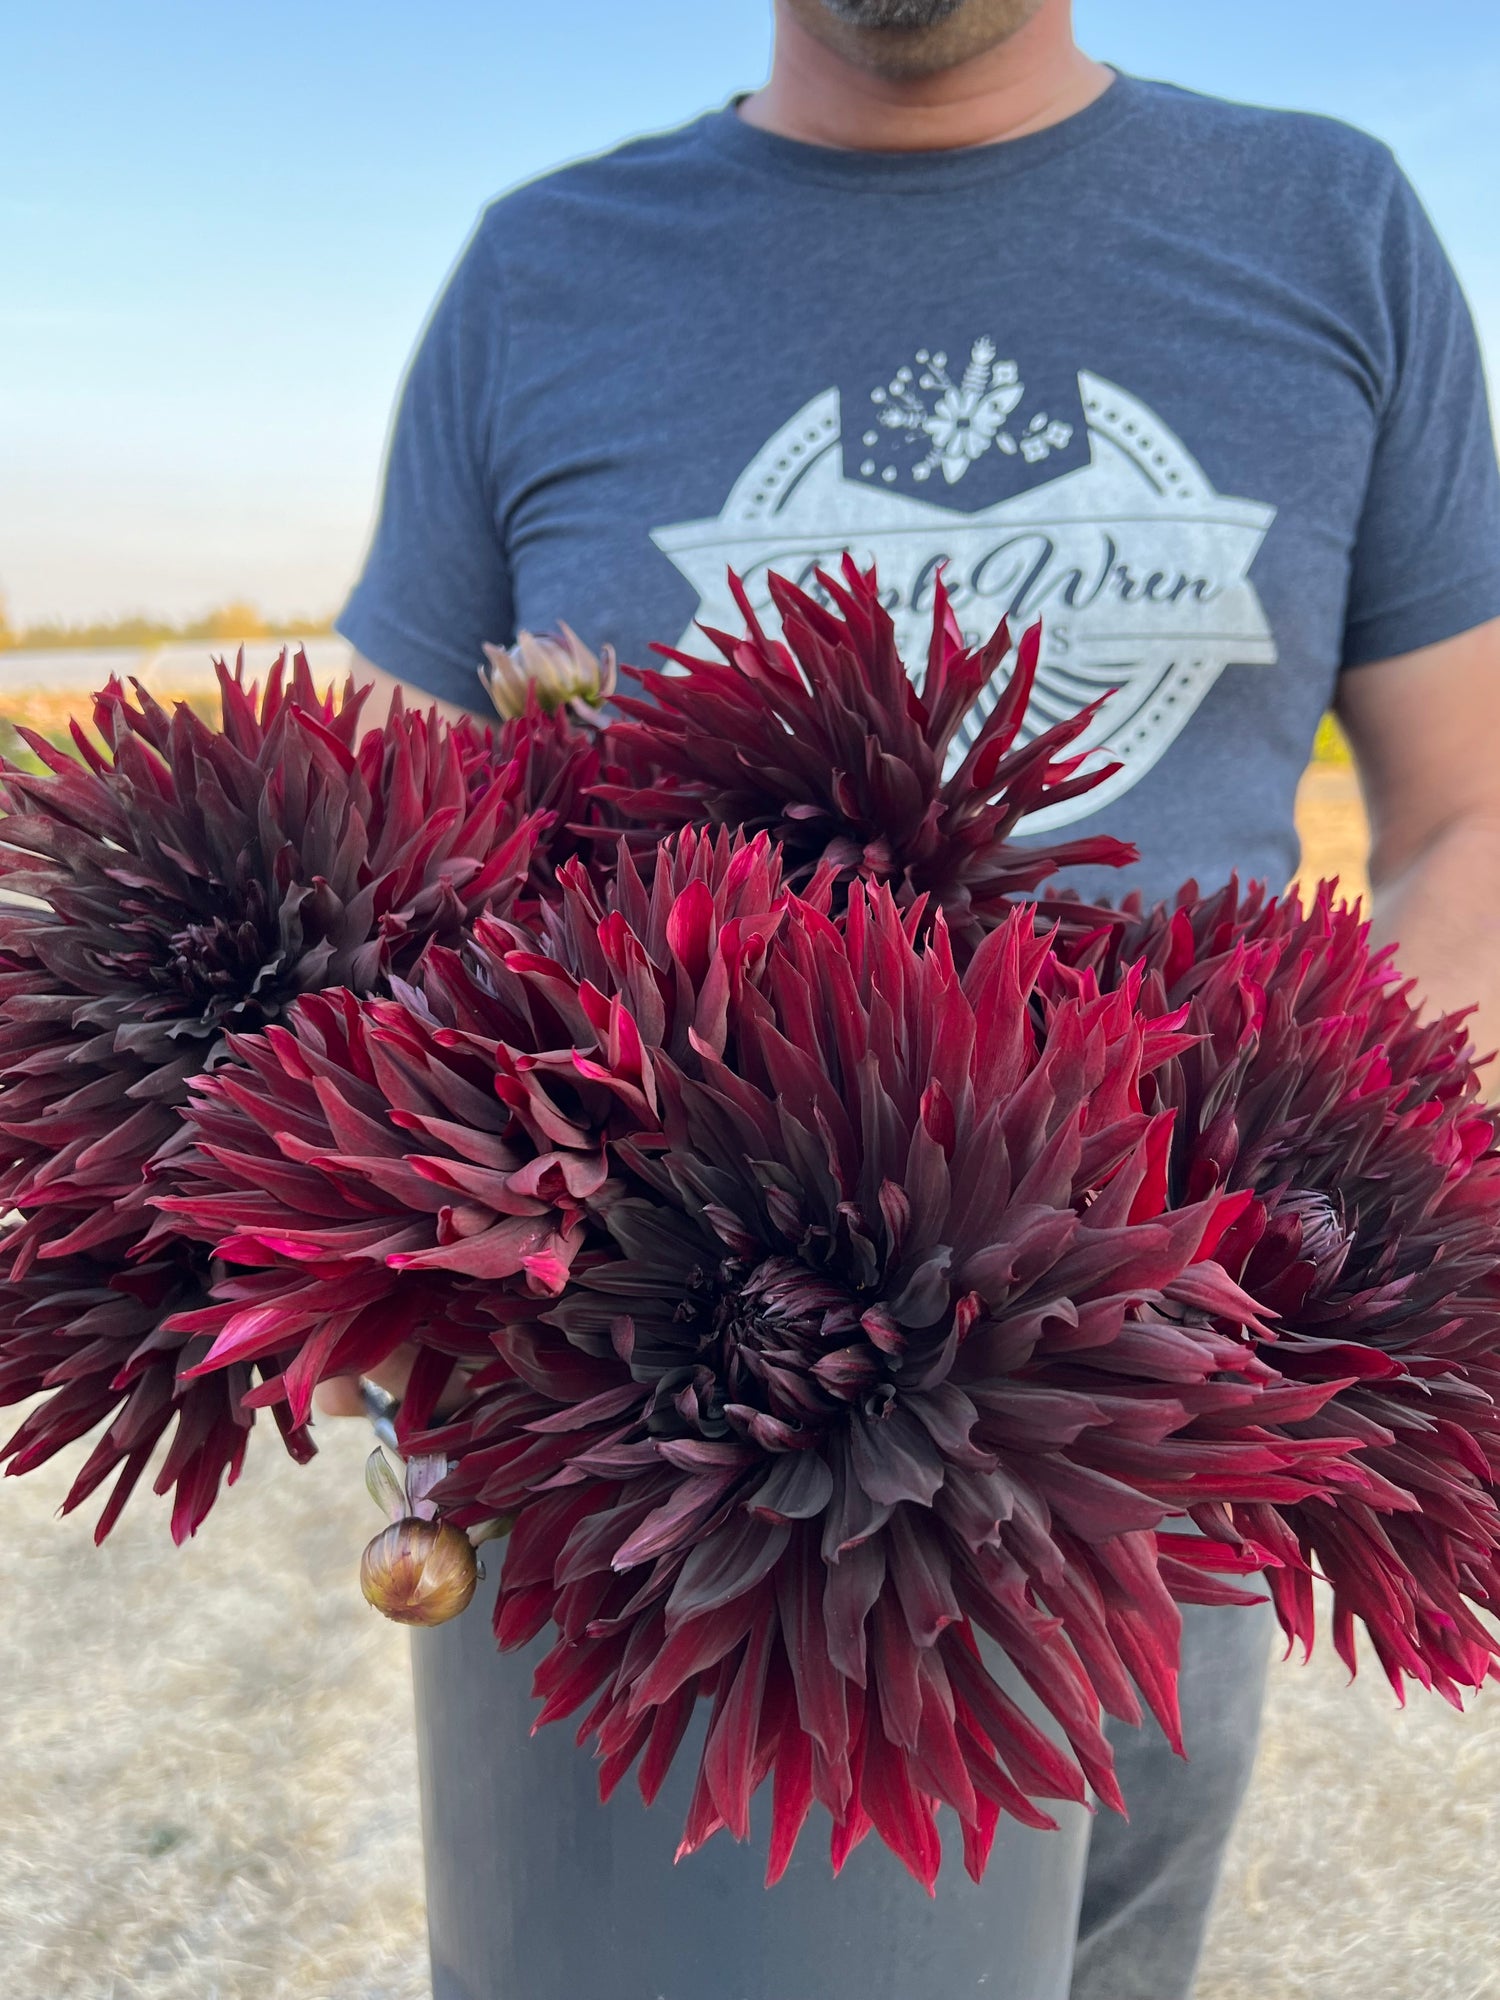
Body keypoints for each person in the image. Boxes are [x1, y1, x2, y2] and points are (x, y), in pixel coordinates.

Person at [320, 2, 1500, 1995]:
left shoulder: (1334, 220)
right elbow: (361, 866)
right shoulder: (541, 270)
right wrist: (331, 1227)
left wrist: (1358, 1184)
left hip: (1160, 1459)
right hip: (643, 1473)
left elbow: (1468, 811)